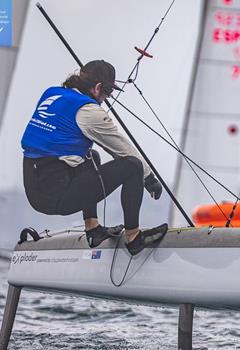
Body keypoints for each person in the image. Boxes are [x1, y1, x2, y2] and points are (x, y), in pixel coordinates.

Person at [21, 60, 167, 255]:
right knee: (133, 166)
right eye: (109, 93)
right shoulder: (89, 112)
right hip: (56, 197)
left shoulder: (52, 93)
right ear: (98, 88)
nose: (106, 98)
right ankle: (134, 237)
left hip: (35, 190)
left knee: (92, 155)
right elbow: (123, 150)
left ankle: (93, 229)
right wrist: (149, 179)